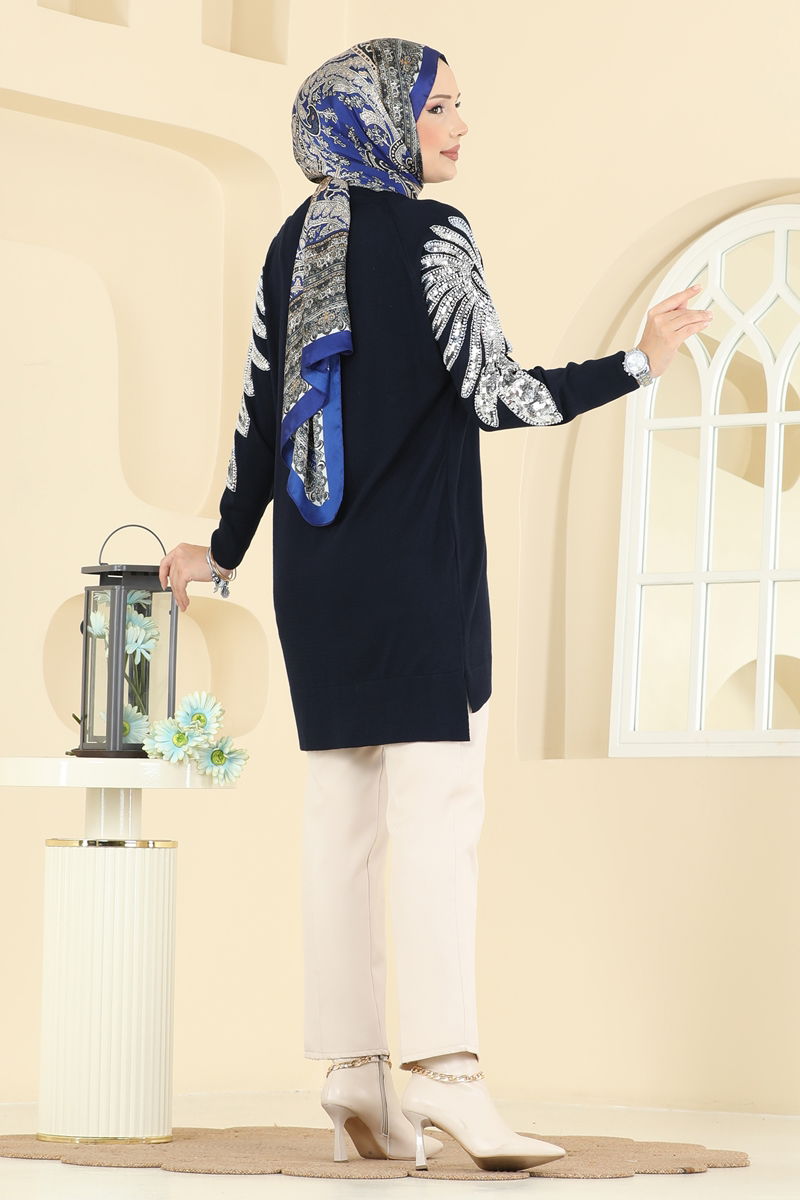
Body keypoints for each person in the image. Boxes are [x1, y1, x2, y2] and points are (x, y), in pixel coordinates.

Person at [159, 36, 712, 1173]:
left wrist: (221, 549)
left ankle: (352, 1074)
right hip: (414, 579)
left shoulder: (293, 243)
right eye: (439, 107)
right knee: (435, 822)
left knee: (340, 823)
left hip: (317, 584)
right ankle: (448, 1078)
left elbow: (259, 417)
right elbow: (499, 394)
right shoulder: (433, 236)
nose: (459, 126)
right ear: (380, 121)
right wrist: (639, 363)